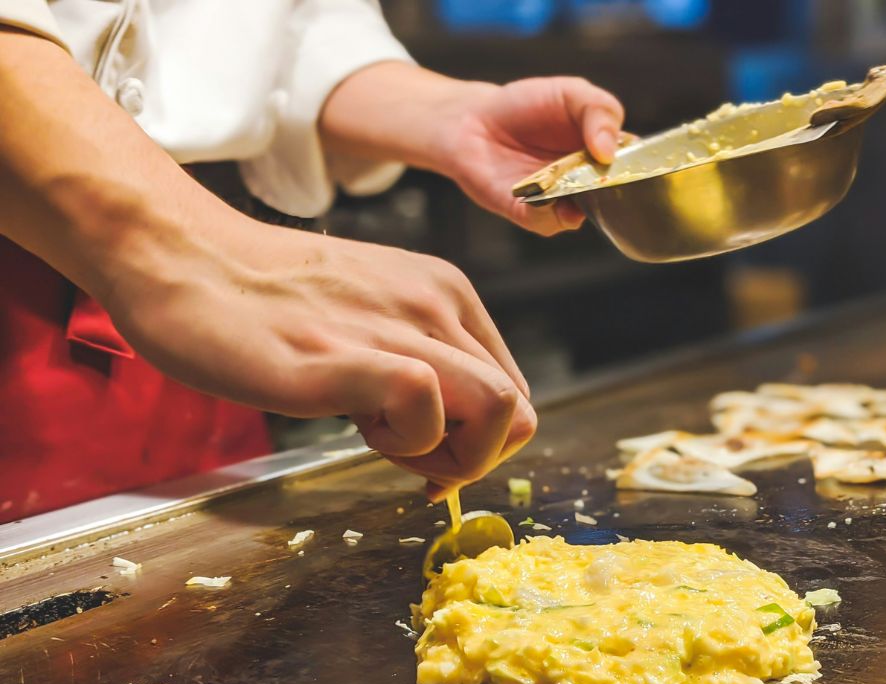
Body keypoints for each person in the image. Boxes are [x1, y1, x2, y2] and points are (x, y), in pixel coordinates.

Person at [0, 2, 625, 523]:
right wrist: (195, 250)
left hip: (203, 329)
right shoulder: (193, 265)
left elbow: (252, 24)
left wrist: (447, 115)